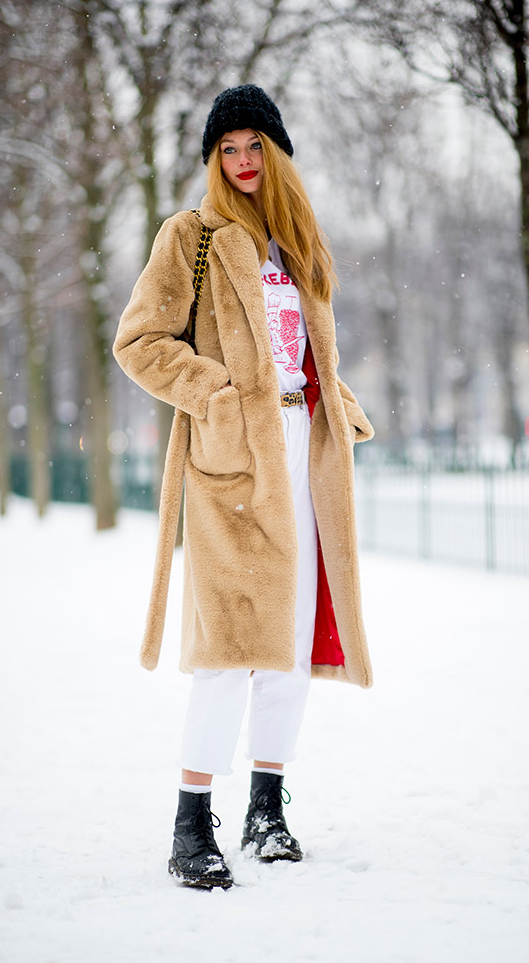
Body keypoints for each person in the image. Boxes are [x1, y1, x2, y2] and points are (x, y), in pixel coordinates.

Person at [113, 84, 374, 891]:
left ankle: (268, 808)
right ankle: (191, 824)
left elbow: (308, 355)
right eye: (227, 149)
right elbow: (140, 341)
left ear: (277, 152)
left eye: (254, 146)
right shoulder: (189, 236)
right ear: (212, 159)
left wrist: (342, 405)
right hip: (232, 459)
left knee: (292, 645)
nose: (242, 162)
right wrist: (218, 396)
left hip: (308, 453)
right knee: (228, 646)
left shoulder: (300, 242)